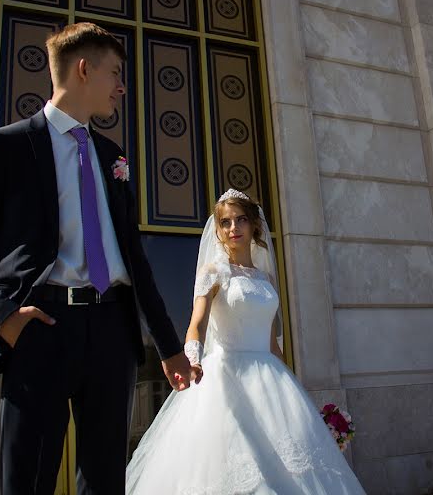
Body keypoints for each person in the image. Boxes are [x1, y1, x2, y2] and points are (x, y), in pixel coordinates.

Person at [0, 22, 195, 495]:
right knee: (30, 478)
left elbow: (134, 260)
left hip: (111, 332)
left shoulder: (111, 155)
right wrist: (3, 317)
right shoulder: (9, 145)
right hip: (40, 328)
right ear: (83, 70)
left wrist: (169, 346)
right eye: (115, 74)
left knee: (104, 481)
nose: (122, 86)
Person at [125, 189, 366, 494]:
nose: (233, 228)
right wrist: (193, 359)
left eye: (240, 220)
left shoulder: (264, 279)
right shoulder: (213, 272)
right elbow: (196, 324)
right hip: (225, 376)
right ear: (218, 230)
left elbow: (272, 343)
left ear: (254, 225)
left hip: (271, 381)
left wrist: (294, 391)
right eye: (225, 222)